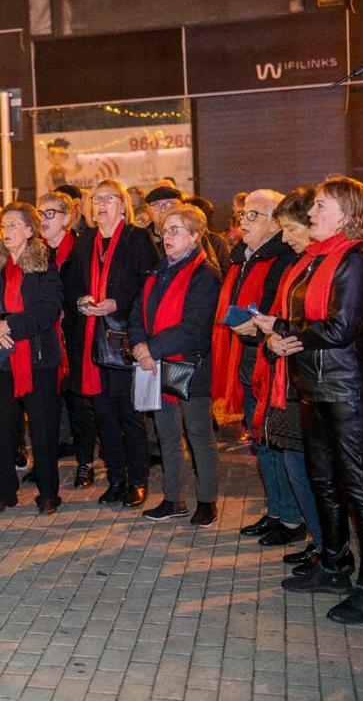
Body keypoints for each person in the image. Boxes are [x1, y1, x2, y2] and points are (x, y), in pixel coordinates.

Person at [254, 176, 363, 625]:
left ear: (348, 212)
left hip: (348, 387)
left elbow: (342, 326)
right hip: (313, 385)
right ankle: (334, 566)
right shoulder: (314, 258)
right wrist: (277, 333)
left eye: (321, 207)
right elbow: (299, 318)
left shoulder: (359, 259)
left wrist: (287, 335)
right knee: (324, 482)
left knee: (361, 488)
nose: (311, 214)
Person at [212, 190, 306, 548]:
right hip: (248, 358)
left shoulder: (281, 257)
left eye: (253, 215)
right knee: (261, 442)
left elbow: (275, 307)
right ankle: (277, 510)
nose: (243, 222)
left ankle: (292, 518)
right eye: (242, 214)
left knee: (276, 443)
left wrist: (256, 326)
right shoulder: (242, 256)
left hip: (270, 361)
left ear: (274, 224)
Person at [244, 189, 325, 574]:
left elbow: (328, 324)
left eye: (290, 228)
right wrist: (273, 332)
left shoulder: (334, 263)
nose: (287, 236)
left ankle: (327, 550)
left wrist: (277, 329)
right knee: (293, 463)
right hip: (289, 375)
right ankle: (319, 543)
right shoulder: (302, 262)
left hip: (312, 380)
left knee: (311, 471)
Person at [63, 179, 158, 508]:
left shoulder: (137, 238)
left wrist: (117, 302)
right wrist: (81, 300)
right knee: (103, 415)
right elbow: (71, 282)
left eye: (109, 198)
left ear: (122, 204)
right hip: (91, 340)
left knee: (129, 416)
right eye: (96, 199)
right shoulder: (85, 240)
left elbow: (148, 286)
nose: (101, 204)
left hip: (124, 340)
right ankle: (116, 478)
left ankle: (138, 480)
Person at [0, 203, 64, 513]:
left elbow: (49, 309)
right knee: (1, 429)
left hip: (37, 359)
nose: (6, 231)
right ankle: (4, 491)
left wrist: (10, 324)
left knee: (43, 429)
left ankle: (48, 494)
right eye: (4, 226)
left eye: (13, 225)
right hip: (0, 360)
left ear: (29, 230)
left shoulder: (45, 263)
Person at [129, 204, 221, 527]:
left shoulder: (206, 275)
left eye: (176, 230)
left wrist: (149, 348)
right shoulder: (157, 271)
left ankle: (207, 501)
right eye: (165, 230)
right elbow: (137, 313)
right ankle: (173, 499)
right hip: (156, 365)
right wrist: (140, 347)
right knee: (167, 435)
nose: (167, 236)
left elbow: (194, 328)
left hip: (190, 367)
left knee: (199, 436)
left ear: (195, 236)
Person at [38, 192, 97, 488]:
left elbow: (87, 286)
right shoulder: (36, 251)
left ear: (66, 218)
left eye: (50, 214)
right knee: (44, 404)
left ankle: (86, 463)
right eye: (40, 213)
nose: (43, 220)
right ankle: (44, 462)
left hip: (75, 335)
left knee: (79, 403)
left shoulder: (81, 247)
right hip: (44, 338)